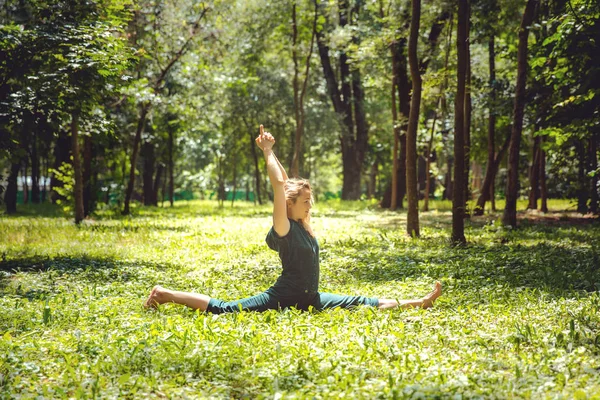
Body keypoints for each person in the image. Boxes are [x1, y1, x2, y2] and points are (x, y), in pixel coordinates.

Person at [144, 125, 442, 313]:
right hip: (283, 297)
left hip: (310, 298)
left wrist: (274, 155)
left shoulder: (300, 224)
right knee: (225, 310)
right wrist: (267, 151)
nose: (310, 206)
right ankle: (165, 294)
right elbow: (279, 185)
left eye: (310, 201)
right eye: (306, 201)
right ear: (291, 204)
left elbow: (284, 180)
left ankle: (419, 302)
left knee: (364, 302)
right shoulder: (283, 226)